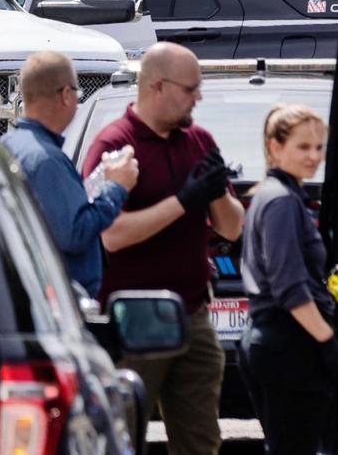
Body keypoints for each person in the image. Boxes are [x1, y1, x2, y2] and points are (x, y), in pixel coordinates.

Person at [83, 42, 243, 455]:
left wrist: (217, 194)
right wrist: (184, 202)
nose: (199, 97)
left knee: (201, 442)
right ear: (157, 86)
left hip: (193, 315)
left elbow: (232, 227)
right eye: (191, 89)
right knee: (123, 438)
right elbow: (110, 234)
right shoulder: (114, 146)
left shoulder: (199, 140)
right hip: (134, 322)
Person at [237, 104, 338, 455]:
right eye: (303, 147)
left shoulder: (275, 195)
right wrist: (328, 342)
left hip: (278, 340)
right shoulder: (281, 200)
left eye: (319, 147)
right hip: (288, 343)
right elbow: (288, 287)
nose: (314, 156)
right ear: (274, 147)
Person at [1, 51, 139, 296]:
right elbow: (74, 233)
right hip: (63, 300)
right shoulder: (46, 160)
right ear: (65, 95)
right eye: (77, 94)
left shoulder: (10, 144)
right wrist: (116, 188)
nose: (76, 100)